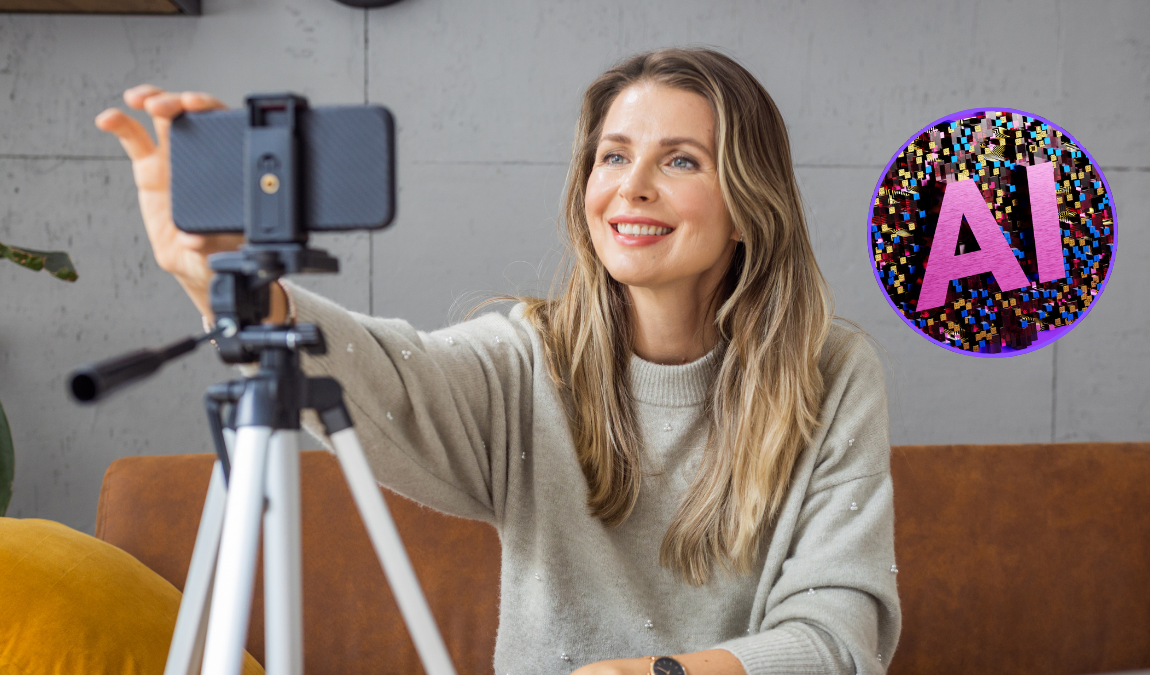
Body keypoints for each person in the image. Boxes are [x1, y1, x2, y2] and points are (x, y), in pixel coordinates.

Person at [97, 47, 899, 675]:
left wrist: (656, 671)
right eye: (613, 156)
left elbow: (837, 639)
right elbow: (383, 378)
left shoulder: (829, 373)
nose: (634, 187)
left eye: (681, 160)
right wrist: (218, 276)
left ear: (749, 204)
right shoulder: (528, 359)